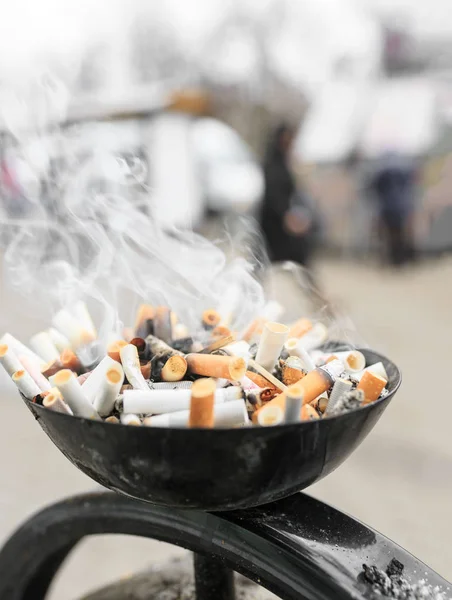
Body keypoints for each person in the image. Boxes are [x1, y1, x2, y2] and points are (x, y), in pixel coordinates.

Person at [260, 124, 319, 268]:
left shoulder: (285, 162)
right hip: (274, 222)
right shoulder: (273, 165)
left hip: (282, 218)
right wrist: (286, 217)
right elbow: (273, 195)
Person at [367, 151, 417, 266]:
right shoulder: (403, 170)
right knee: (400, 235)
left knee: (390, 236)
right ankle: (400, 260)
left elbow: (374, 188)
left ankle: (394, 260)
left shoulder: (381, 171)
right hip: (401, 208)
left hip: (388, 208)